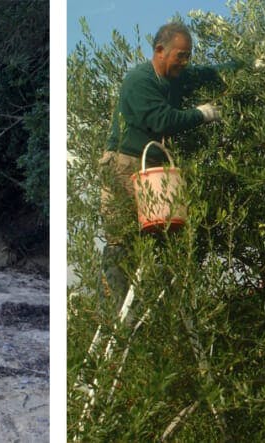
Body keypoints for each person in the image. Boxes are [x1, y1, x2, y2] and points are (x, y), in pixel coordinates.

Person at [100, 21, 239, 303]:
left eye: (188, 56)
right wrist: (203, 114)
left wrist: (248, 66)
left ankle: (155, 309)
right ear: (160, 51)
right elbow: (162, 120)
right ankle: (115, 314)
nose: (185, 62)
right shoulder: (140, 80)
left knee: (162, 235)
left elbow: (209, 74)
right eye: (181, 55)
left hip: (150, 168)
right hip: (123, 164)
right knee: (122, 241)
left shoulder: (176, 76)